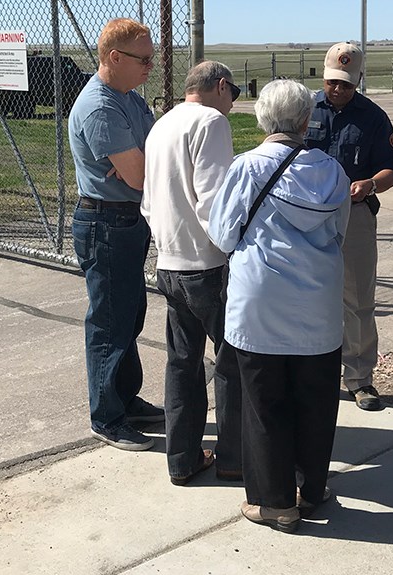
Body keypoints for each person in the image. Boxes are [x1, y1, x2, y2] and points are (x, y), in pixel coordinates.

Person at [208, 79, 350, 534]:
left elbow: (223, 234)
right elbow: (339, 233)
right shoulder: (332, 172)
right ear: (307, 120)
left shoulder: (246, 168)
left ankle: (274, 502)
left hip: (261, 306)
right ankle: (311, 489)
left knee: (264, 404)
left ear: (262, 118)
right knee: (316, 399)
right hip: (320, 306)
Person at [141, 61, 243, 485]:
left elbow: (148, 201)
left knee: (182, 363)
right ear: (220, 87)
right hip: (206, 263)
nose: (231, 104)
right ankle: (234, 457)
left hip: (169, 261)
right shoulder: (210, 123)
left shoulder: (161, 125)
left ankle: (181, 458)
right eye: (232, 94)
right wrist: (233, 246)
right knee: (232, 359)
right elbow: (213, 199)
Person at [68, 18, 164, 451]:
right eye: (143, 59)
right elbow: (142, 174)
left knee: (129, 315)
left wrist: (141, 162)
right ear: (114, 58)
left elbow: (152, 156)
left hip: (126, 220)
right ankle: (106, 416)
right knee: (109, 322)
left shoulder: (130, 99)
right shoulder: (101, 107)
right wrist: (140, 163)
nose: (150, 66)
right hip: (106, 223)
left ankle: (125, 398)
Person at [304, 42, 393, 412]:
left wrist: (370, 184)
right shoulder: (306, 108)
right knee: (308, 295)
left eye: (346, 84)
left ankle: (359, 378)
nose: (338, 90)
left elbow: (391, 169)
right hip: (307, 213)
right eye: (332, 83)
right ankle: (314, 373)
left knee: (358, 299)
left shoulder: (373, 118)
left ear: (357, 80)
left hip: (355, 213)